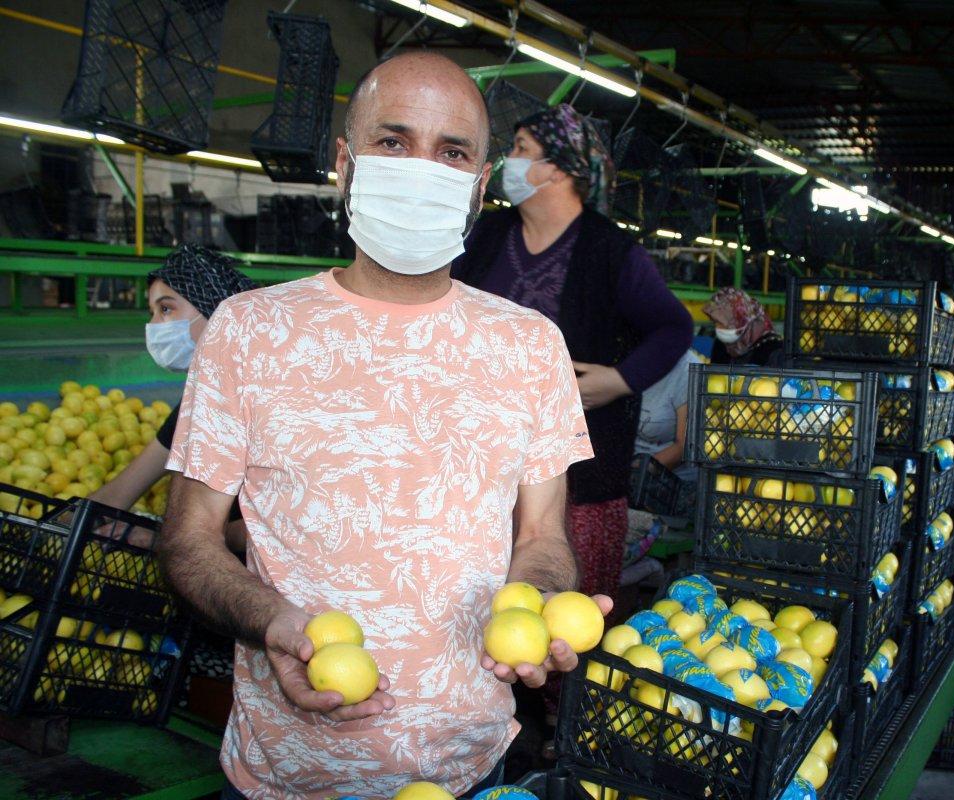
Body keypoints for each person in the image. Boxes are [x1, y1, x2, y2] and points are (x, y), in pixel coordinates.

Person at [158, 53, 600, 799]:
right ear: (344, 164)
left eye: (452, 152)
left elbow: (541, 539)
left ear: (478, 186)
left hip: (467, 763)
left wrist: (537, 604)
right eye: (393, 142)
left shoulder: (530, 346)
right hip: (282, 773)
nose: (422, 169)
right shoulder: (249, 333)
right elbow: (188, 537)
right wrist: (271, 623)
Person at [453, 104, 693, 602]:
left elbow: (674, 327)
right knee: (472, 604)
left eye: (522, 150)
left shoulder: (611, 252)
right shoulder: (486, 235)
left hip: (579, 473)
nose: (510, 161)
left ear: (560, 168)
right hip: (475, 455)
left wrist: (620, 380)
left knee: (556, 613)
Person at [89, 243, 254, 553]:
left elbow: (282, 527)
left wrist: (162, 536)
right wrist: (54, 526)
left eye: (166, 309)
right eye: (152, 311)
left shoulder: (265, 398)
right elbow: (122, 490)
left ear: (216, 309)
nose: (153, 326)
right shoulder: (197, 404)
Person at [634, 349, 701, 482]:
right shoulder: (621, 361)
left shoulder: (688, 370)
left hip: (667, 482)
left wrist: (635, 473)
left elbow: (684, 447)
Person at [704, 287, 784, 366]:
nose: (718, 328)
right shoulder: (721, 345)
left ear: (740, 319)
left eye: (721, 323)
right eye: (715, 322)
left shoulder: (774, 349)